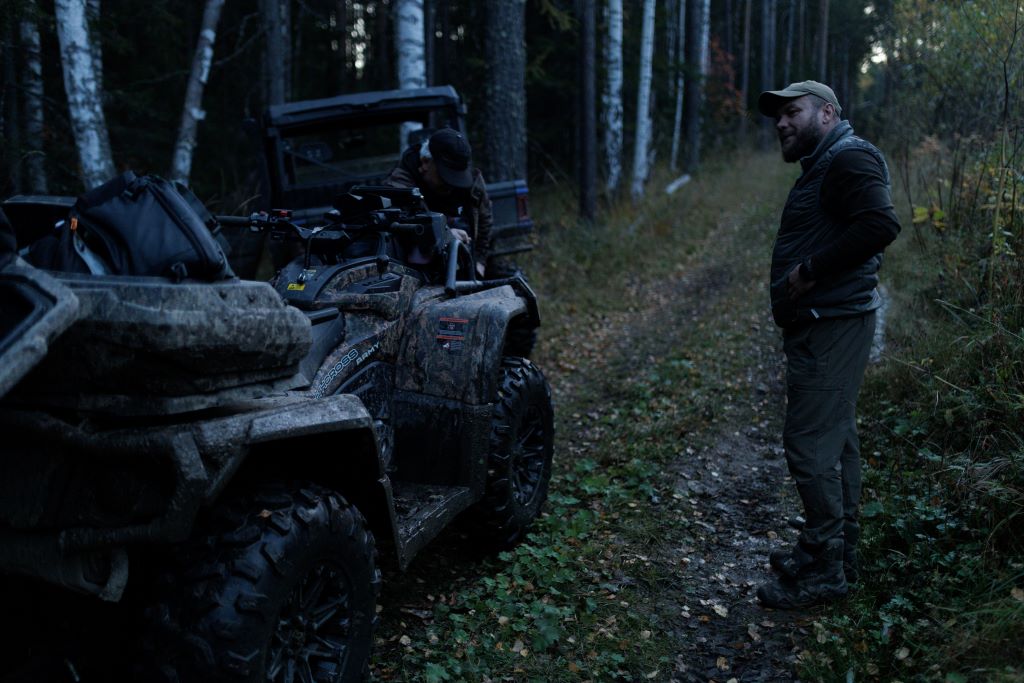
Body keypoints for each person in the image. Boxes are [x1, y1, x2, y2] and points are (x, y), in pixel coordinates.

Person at [755, 80, 901, 609]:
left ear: (828, 112)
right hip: (830, 320)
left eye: (793, 112)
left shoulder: (848, 159)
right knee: (835, 441)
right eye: (778, 116)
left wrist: (810, 272)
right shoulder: (829, 161)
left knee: (811, 445)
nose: (782, 123)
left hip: (831, 320)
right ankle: (835, 549)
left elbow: (881, 223)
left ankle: (825, 574)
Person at [385, 127, 493, 277]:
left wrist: (480, 261)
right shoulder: (400, 186)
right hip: (419, 272)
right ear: (425, 162)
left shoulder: (472, 183)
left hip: (465, 266)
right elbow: (406, 225)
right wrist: (446, 235)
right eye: (445, 177)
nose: (452, 185)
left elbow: (484, 220)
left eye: (457, 177)